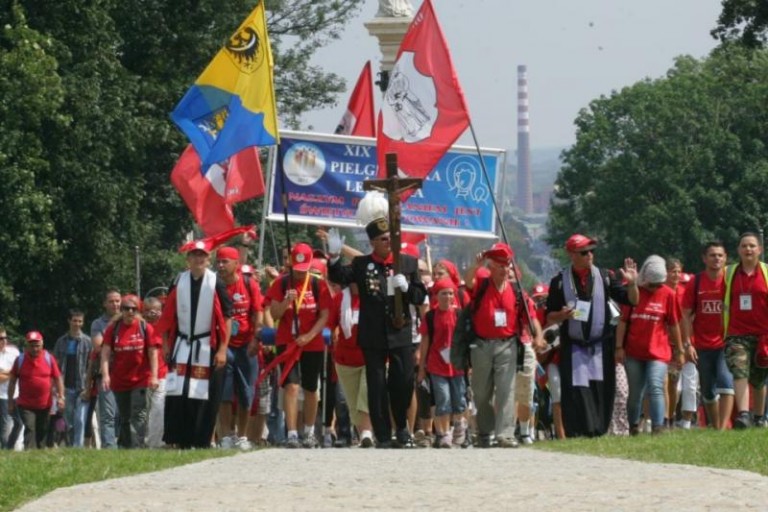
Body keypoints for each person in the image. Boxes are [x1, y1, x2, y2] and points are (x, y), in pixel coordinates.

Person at [327, 214, 427, 448]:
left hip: (400, 332)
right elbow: (339, 276)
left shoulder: (407, 263)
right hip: (373, 334)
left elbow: (420, 296)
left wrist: (407, 287)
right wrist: (334, 257)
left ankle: (401, 426)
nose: (388, 242)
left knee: (403, 381)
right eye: (383, 238)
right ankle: (382, 434)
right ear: (372, 242)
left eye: (390, 237)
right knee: (376, 384)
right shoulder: (362, 264)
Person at [546, 234, 639, 438]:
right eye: (584, 252)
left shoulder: (606, 276)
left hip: (601, 344)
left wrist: (632, 284)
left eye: (591, 251)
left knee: (600, 389)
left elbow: (632, 301)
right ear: (572, 255)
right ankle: (579, 431)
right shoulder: (559, 281)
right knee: (577, 391)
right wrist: (562, 315)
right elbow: (549, 316)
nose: (589, 255)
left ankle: (598, 430)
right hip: (573, 345)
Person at [155, 238, 233, 449]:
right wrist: (165, 343)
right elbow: (168, 314)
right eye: (194, 255)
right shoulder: (178, 281)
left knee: (202, 394)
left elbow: (227, 317)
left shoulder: (215, 282)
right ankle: (177, 439)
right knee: (178, 392)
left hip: (206, 344)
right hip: (181, 344)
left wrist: (223, 349)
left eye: (202, 256)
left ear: (208, 259)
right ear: (188, 259)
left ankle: (201, 440)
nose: (198, 259)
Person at [462, 242, 538, 448]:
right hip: (481, 344)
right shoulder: (482, 283)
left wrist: (537, 336)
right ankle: (485, 432)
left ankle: (505, 434)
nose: (504, 270)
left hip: (507, 345)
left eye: (507, 265)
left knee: (506, 390)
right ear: (491, 267)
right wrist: (475, 265)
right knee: (481, 392)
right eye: (500, 266)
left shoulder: (515, 289)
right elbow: (468, 281)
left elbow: (529, 317)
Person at [266, 243, 332, 448]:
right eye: (297, 270)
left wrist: (310, 335)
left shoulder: (318, 284)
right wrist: (286, 301)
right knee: (291, 386)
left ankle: (309, 432)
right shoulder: (281, 283)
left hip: (312, 342)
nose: (300, 274)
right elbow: (273, 314)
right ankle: (292, 433)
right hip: (287, 341)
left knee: (311, 387)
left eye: (304, 270)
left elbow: (324, 315)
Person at [616, 255, 684, 435]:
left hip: (658, 352)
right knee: (635, 393)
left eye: (658, 284)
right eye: (651, 285)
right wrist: (619, 347)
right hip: (634, 351)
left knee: (656, 386)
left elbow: (674, 324)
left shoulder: (668, 294)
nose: (654, 288)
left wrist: (680, 350)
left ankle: (658, 427)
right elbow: (623, 321)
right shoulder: (634, 291)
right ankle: (633, 426)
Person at [681, 241, 734, 430]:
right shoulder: (695, 282)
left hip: (727, 342)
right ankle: (716, 425)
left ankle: (722, 429)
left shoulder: (731, 281)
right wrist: (688, 344)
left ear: (726, 258)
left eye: (720, 255)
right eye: (712, 255)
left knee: (726, 382)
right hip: (702, 345)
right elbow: (685, 315)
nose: (716, 259)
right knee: (708, 391)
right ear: (704, 258)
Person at [215, 246, 263, 450]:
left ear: (236, 264)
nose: (220, 265)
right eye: (218, 262)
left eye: (225, 262)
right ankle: (227, 435)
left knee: (246, 392)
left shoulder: (249, 284)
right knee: (224, 393)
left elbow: (258, 312)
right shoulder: (214, 286)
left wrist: (256, 339)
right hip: (224, 347)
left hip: (246, 346)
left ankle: (242, 436)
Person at [722, 232, 768, 429]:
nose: (748, 249)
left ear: (760, 249)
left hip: (763, 335)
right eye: (744, 246)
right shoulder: (728, 272)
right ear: (738, 250)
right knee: (740, 371)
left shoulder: (766, 272)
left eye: (752, 245)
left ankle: (759, 417)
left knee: (759, 379)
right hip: (737, 334)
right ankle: (743, 414)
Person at [101, 294, 160, 448]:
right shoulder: (113, 329)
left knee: (138, 414)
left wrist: (154, 376)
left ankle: (137, 446)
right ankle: (126, 446)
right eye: (126, 308)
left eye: (134, 309)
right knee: (124, 416)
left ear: (138, 310)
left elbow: (153, 353)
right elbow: (105, 353)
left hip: (140, 379)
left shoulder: (145, 327)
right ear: (121, 310)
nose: (130, 312)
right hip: (119, 380)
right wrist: (106, 375)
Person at [417, 278, 467, 448]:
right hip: (437, 365)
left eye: (451, 293)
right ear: (436, 296)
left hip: (457, 365)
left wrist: (469, 363)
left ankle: (459, 427)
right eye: (444, 293)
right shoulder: (430, 317)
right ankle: (444, 434)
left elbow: (465, 340)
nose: (448, 297)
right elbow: (425, 341)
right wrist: (422, 367)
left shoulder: (459, 315)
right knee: (443, 399)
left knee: (459, 400)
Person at [328, 282, 375, 447]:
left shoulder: (374, 296)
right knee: (353, 402)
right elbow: (329, 323)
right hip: (345, 359)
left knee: (365, 394)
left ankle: (367, 432)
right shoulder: (340, 299)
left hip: (371, 356)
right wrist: (328, 333)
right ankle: (364, 435)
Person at [8, 331, 65, 449]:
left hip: (45, 404)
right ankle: (29, 452)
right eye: (32, 346)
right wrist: (10, 401)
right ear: (27, 346)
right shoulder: (20, 360)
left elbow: (58, 378)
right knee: (30, 428)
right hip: (25, 404)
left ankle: (39, 453)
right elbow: (12, 381)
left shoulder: (49, 359)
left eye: (37, 346)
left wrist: (61, 397)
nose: (35, 349)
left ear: (42, 345)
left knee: (42, 431)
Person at [86, 288, 122, 449]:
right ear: (104, 304)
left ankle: (124, 444)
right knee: (108, 413)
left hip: (126, 372)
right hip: (105, 372)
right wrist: (123, 348)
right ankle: (109, 446)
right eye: (111, 301)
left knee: (122, 413)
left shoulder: (128, 321)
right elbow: (98, 347)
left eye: (117, 301)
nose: (115, 304)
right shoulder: (98, 324)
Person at [52, 309, 92, 447]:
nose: (77, 324)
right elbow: (55, 365)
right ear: (69, 321)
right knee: (68, 420)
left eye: (80, 321)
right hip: (66, 387)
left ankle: (78, 447)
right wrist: (56, 387)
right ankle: (70, 446)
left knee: (80, 419)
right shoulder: (61, 342)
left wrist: (89, 386)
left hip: (82, 387)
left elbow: (91, 365)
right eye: (75, 321)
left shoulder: (88, 341)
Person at [142, 296, 167, 448]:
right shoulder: (140, 327)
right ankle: (140, 442)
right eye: (148, 310)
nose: (153, 313)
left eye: (157, 310)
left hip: (162, 375)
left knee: (158, 409)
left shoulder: (166, 328)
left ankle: (155, 444)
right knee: (142, 412)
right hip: (142, 376)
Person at [0, 326, 21, 449]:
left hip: (16, 394)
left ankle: (9, 447)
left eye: (5, 338)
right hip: (2, 396)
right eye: (0, 338)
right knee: (5, 425)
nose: (3, 341)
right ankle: (5, 449)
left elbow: (20, 370)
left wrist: (5, 372)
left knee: (19, 423)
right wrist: (12, 372)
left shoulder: (14, 352)